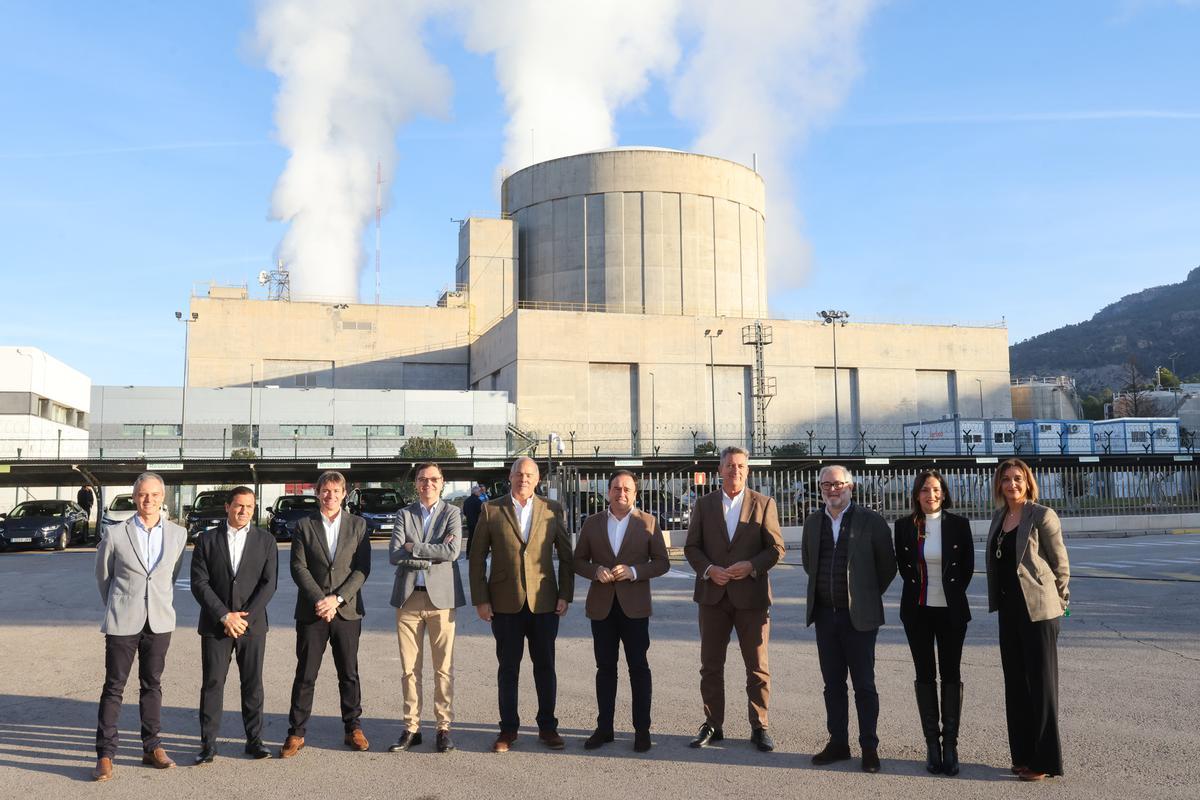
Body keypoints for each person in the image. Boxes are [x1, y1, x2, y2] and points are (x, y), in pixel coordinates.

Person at [683, 446, 785, 752]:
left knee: (757, 666)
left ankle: (760, 725)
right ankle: (713, 724)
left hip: (751, 598)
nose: (734, 470)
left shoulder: (763, 504)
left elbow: (776, 548)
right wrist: (709, 569)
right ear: (719, 470)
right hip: (713, 597)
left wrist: (751, 566)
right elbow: (692, 548)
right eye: (729, 465)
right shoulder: (704, 504)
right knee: (711, 665)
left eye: (740, 466)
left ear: (748, 470)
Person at [469, 456, 574, 752]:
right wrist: (481, 599)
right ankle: (508, 730)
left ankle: (548, 728)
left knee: (545, 667)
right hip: (504, 604)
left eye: (529, 475)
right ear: (510, 477)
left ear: (537, 479)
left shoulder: (552, 510)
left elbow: (566, 556)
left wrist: (565, 594)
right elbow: (476, 557)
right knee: (508, 669)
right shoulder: (491, 509)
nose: (523, 479)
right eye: (518, 474)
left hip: (545, 603)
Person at [92, 472, 187, 782]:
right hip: (123, 620)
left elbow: (171, 575)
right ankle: (106, 754)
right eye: (143, 495)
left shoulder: (177, 534)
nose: (149, 500)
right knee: (114, 687)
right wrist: (120, 603)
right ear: (135, 498)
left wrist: (154, 601)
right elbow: (103, 576)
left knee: (152, 685)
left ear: (163, 498)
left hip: (159, 621)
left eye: (155, 495)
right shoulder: (116, 534)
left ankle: (152, 747)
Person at [801, 464, 897, 774]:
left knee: (864, 685)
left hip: (860, 618)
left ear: (850, 487)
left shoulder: (871, 521)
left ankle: (869, 747)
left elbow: (887, 567)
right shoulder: (813, 522)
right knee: (832, 685)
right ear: (820, 488)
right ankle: (838, 742)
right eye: (826, 484)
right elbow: (808, 563)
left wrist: (865, 594)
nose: (832, 489)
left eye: (838, 484)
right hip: (826, 617)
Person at [573, 470, 670, 752]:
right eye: (616, 488)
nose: (621, 493)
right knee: (605, 669)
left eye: (627, 489)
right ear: (608, 491)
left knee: (638, 669)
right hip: (602, 608)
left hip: (635, 608)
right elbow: (578, 561)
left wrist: (635, 571)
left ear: (635, 493)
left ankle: (642, 730)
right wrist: (595, 571)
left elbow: (661, 563)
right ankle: (604, 729)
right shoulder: (591, 523)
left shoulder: (648, 523)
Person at [986, 458, 1069, 782]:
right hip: (1009, 613)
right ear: (999, 485)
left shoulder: (1042, 515)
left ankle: (1045, 760)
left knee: (1042, 686)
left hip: (1039, 613)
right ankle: (1022, 755)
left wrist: (1061, 604)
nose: (1012, 484)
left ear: (1028, 482)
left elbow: (1061, 564)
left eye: (1017, 478)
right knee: (1016, 686)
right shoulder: (999, 517)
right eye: (1006, 479)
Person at [280, 471, 372, 758]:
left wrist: (338, 599)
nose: (330, 495)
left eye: (336, 490)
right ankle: (296, 732)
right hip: (312, 611)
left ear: (345, 494)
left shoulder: (358, 525)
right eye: (325, 490)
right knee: (306, 674)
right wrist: (322, 600)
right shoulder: (304, 526)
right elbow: (298, 567)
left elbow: (362, 568)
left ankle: (353, 728)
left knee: (349, 673)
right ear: (317, 493)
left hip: (347, 612)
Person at [893, 469, 974, 775]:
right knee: (925, 674)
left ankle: (950, 746)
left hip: (951, 612)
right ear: (916, 494)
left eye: (937, 490)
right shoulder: (903, 526)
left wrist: (947, 593)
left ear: (944, 493)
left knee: (951, 674)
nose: (931, 495)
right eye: (925, 490)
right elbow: (904, 567)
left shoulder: (959, 525)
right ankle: (932, 745)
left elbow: (966, 568)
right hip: (917, 612)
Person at [190, 486, 278, 764]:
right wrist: (224, 615)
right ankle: (208, 745)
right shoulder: (206, 540)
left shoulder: (266, 541)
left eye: (249, 507)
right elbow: (199, 583)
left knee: (252, 683)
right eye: (239, 506)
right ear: (227, 506)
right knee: (213, 683)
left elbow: (269, 584)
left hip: (252, 626)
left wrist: (244, 618)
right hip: (216, 625)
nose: (244, 511)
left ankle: (254, 741)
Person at [387, 463, 465, 754]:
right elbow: (395, 555)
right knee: (409, 669)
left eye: (433, 479)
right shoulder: (404, 514)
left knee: (443, 668)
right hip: (409, 599)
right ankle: (411, 727)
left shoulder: (452, 513)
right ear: (416, 484)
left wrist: (414, 547)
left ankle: (443, 728)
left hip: (441, 600)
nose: (428, 484)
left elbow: (453, 552)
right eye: (422, 479)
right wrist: (430, 551)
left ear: (442, 482)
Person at [462, 484, 484, 557]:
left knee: (470, 538)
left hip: (469, 522)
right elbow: (481, 512)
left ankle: (468, 554)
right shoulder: (478, 501)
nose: (480, 493)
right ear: (475, 492)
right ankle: (477, 554)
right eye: (479, 491)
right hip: (478, 522)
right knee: (478, 538)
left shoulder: (466, 501)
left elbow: (464, 512)